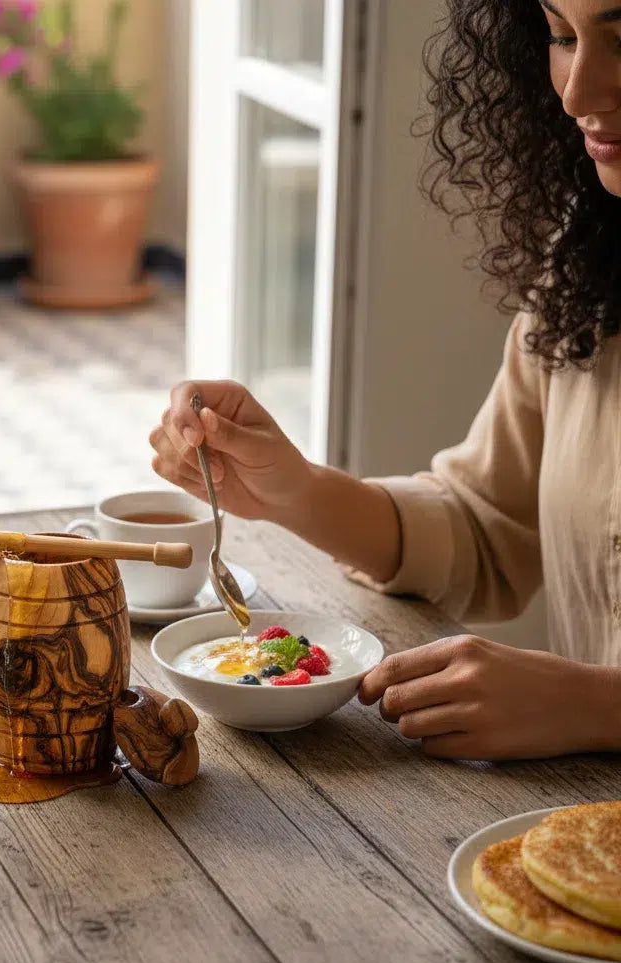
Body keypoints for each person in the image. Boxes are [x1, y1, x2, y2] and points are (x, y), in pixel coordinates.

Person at [150, 0, 621, 762]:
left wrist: (598, 705)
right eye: (562, 36)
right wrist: (293, 490)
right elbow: (483, 528)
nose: (577, 91)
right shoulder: (592, 261)